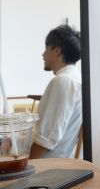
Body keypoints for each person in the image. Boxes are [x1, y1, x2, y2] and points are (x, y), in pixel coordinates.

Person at [30, 25, 82, 159]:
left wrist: (25, 167)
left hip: (48, 165)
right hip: (60, 162)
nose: (43, 54)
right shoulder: (75, 78)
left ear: (57, 50)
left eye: (46, 48)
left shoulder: (63, 81)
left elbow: (44, 141)